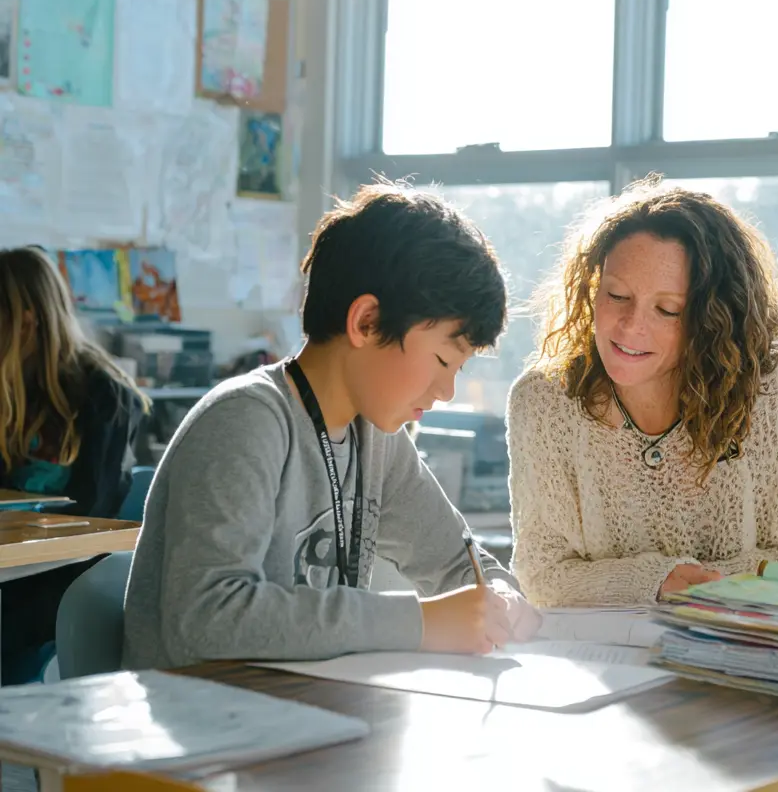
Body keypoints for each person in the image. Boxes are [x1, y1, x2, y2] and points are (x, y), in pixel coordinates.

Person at [124, 183, 539, 671]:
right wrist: (420, 623)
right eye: (443, 359)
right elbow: (205, 621)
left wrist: (502, 599)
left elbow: (458, 564)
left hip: (306, 710)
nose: (446, 390)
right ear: (366, 322)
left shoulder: (379, 438)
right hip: (206, 721)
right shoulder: (246, 420)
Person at [507, 179, 778, 608]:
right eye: (617, 295)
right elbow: (542, 574)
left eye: (667, 310)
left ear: (714, 318)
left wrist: (694, 585)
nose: (630, 326)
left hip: (753, 658)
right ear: (591, 290)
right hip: (606, 665)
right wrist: (657, 581)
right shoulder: (543, 401)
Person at [0, 246, 148, 683]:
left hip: (66, 580)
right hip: (15, 570)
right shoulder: (10, 391)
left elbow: (92, 518)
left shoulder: (105, 396)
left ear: (26, 319)